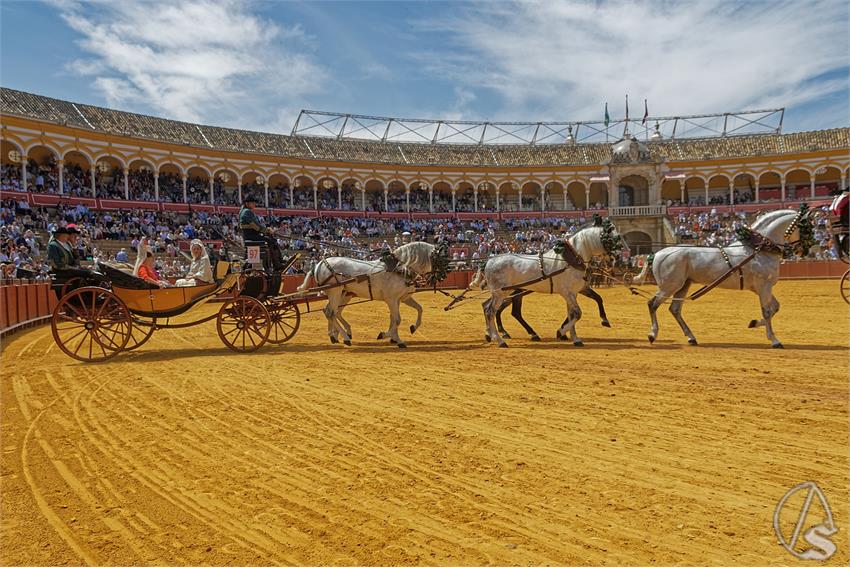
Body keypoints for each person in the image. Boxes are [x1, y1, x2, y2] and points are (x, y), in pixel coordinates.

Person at [239, 195, 284, 270]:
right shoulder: (247, 212)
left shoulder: (245, 211)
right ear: (247, 204)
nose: (254, 204)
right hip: (251, 236)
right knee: (271, 240)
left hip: (250, 235)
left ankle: (278, 262)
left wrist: (267, 230)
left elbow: (257, 226)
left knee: (270, 238)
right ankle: (277, 264)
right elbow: (256, 226)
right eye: (252, 203)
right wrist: (268, 230)